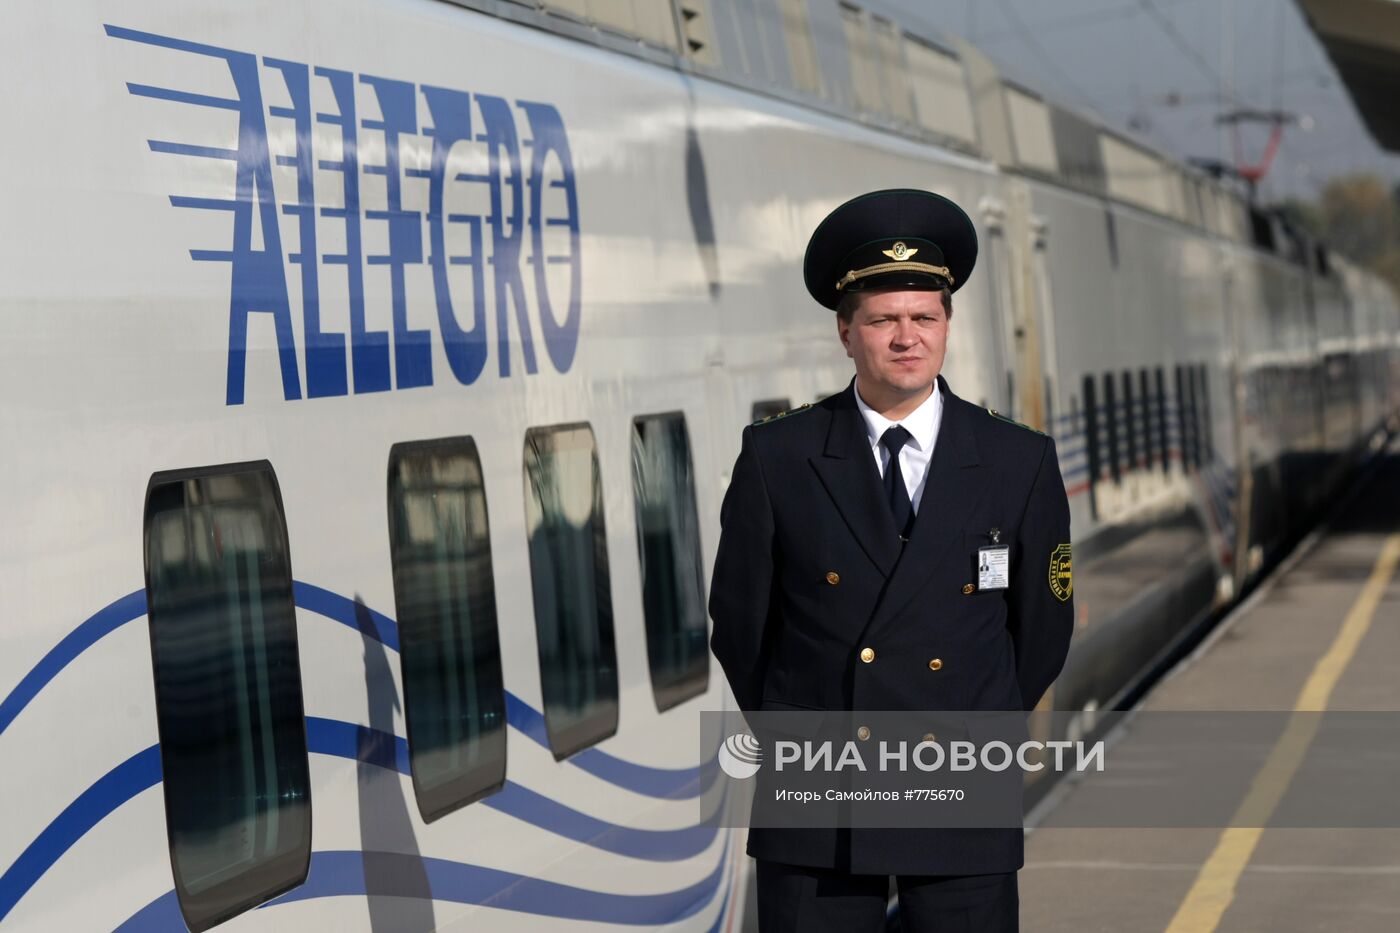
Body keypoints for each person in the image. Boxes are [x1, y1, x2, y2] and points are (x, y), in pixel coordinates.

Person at [708, 188, 1074, 932]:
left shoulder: (1017, 460)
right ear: (846, 332)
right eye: (884, 321)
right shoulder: (779, 456)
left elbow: (1040, 636)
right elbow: (740, 626)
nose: (907, 337)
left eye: (923, 318)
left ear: (947, 325)